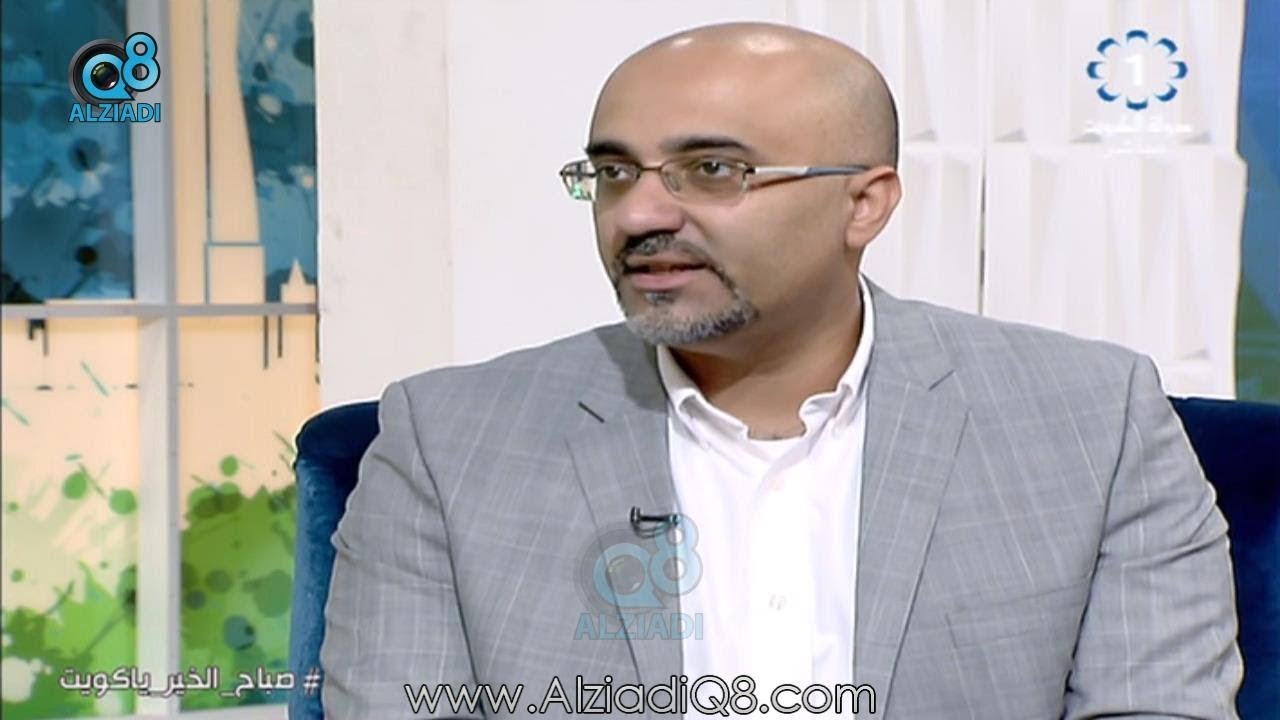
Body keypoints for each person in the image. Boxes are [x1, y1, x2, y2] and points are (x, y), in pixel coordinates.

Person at [320, 21, 1242, 719]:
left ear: (865, 203)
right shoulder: (446, 441)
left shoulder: (1093, 422)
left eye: (712, 169)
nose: (639, 214)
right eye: (614, 173)